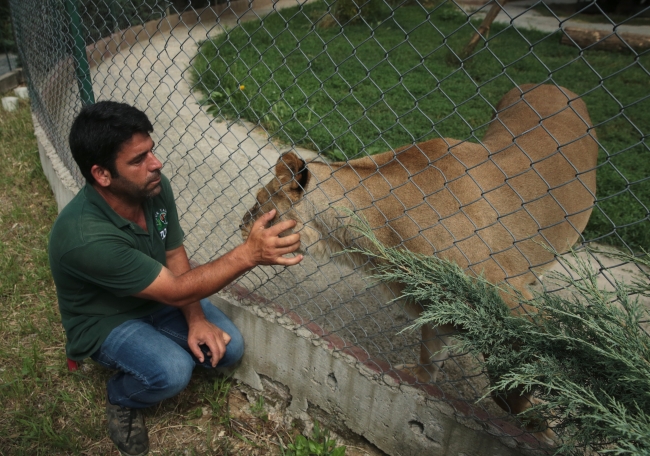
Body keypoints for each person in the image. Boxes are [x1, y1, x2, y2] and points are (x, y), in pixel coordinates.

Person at [48, 101, 303, 456]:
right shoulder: (86, 236)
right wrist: (249, 254)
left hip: (155, 296)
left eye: (151, 151)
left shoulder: (151, 187)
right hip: (106, 321)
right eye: (137, 160)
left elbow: (173, 254)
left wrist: (196, 318)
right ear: (102, 175)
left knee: (230, 350)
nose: (156, 164)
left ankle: (163, 342)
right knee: (173, 372)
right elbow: (176, 288)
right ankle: (121, 396)